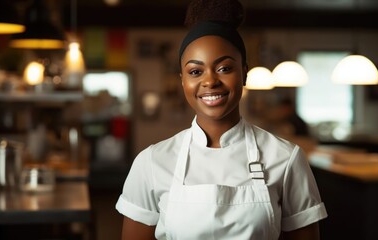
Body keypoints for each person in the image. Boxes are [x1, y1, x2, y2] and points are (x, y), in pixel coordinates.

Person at [115, 0, 327, 239]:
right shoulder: (151, 163)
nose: (210, 81)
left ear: (244, 73)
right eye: (195, 71)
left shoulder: (286, 159)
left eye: (224, 68)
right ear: (183, 81)